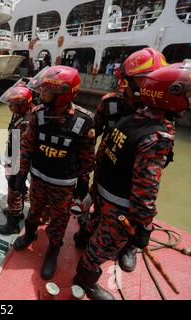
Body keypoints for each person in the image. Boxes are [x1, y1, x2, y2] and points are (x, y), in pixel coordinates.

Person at [74, 61, 189, 300]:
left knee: (96, 221)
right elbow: (146, 188)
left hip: (104, 189)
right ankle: (85, 278)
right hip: (120, 204)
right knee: (105, 244)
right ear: (172, 97)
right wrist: (143, 225)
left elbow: (104, 149)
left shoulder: (131, 118)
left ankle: (81, 237)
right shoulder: (157, 135)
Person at [11, 66, 96, 280]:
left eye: (47, 91)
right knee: (34, 210)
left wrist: (83, 181)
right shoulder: (38, 115)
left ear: (63, 94)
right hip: (38, 178)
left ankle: (52, 251)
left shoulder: (82, 121)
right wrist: (21, 174)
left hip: (63, 184)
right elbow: (27, 146)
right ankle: (29, 234)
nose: (41, 94)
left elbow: (87, 157)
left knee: (59, 219)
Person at [0, 86, 33, 235]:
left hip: (17, 162)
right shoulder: (19, 115)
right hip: (13, 157)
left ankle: (13, 222)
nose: (9, 107)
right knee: (16, 189)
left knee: (14, 189)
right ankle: (17, 211)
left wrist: (17, 173)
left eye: (12, 104)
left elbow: (23, 150)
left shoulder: (26, 122)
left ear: (22, 105)